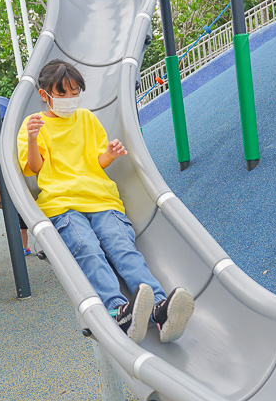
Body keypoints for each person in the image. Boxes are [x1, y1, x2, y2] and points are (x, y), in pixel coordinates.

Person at [18, 60, 195, 343]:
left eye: (74, 92)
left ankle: (160, 308)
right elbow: (35, 168)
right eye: (61, 94)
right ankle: (117, 311)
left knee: (122, 247)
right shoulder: (34, 125)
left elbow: (96, 161)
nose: (69, 99)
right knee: (87, 248)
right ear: (45, 95)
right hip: (64, 204)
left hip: (101, 198)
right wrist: (32, 137)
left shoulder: (86, 118)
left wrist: (110, 153)